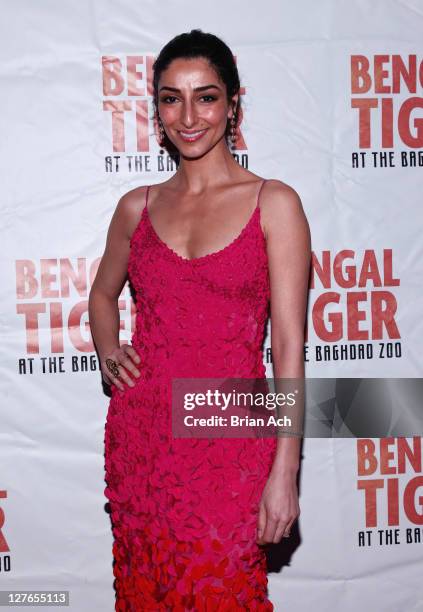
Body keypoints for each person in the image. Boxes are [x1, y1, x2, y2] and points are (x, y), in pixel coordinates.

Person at [89, 28, 311, 611]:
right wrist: (110, 351)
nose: (188, 115)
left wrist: (285, 468)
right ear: (156, 107)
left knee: (223, 592)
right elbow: (101, 296)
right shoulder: (136, 207)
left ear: (234, 104)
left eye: (206, 96)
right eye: (171, 97)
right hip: (143, 436)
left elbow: (289, 348)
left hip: (231, 436)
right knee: (148, 591)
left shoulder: (275, 203)